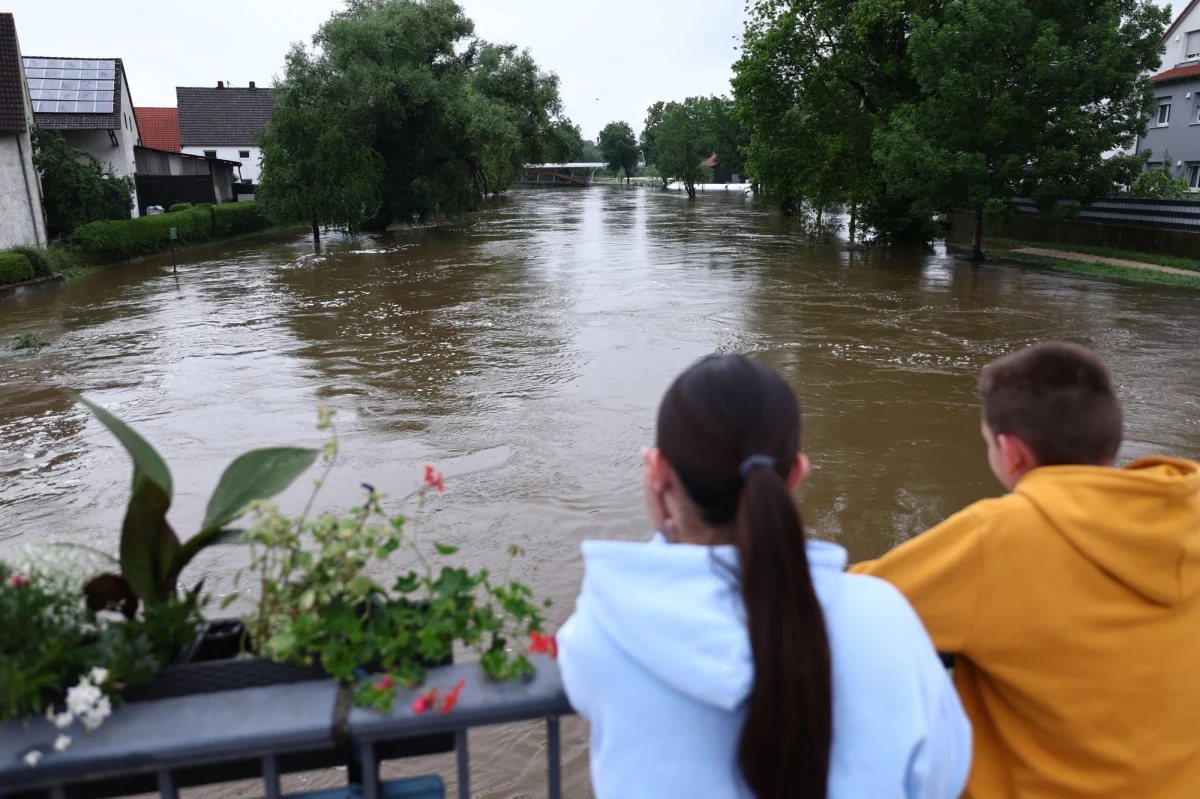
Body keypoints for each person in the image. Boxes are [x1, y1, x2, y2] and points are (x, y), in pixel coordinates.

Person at [557, 354, 971, 799]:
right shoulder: (885, 617)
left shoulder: (604, 632)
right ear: (795, 474)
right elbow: (944, 775)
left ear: (658, 474)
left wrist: (668, 525)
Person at [851, 341, 1200, 799]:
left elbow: (850, 605)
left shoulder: (1000, 535)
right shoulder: (1187, 510)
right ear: (1109, 437)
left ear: (1011, 453)